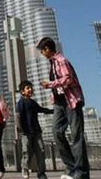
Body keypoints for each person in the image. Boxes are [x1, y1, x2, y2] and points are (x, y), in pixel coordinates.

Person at [37, 36, 90, 179]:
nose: (42, 54)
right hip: (59, 103)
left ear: (47, 49)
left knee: (76, 135)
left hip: (71, 101)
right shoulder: (52, 63)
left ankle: (81, 172)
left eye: (42, 51)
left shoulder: (61, 60)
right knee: (57, 132)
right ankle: (71, 167)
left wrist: (50, 84)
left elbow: (68, 79)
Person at [17, 80, 53, 179]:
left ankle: (41, 174)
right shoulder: (21, 103)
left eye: (31, 88)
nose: (30, 89)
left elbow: (41, 109)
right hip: (26, 133)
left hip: (37, 132)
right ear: (22, 91)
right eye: (27, 88)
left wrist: (53, 111)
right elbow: (18, 116)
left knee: (41, 152)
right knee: (26, 152)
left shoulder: (33, 102)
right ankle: (25, 169)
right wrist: (20, 129)